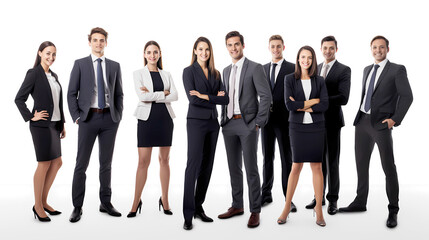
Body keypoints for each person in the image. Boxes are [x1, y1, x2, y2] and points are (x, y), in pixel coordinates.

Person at [339, 36, 413, 228]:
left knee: (388, 167)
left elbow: (407, 96)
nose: (378, 50)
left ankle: (393, 210)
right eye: (374, 47)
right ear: (370, 49)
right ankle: (360, 202)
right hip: (362, 122)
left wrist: (394, 120)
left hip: (381, 125)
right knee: (361, 165)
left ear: (388, 49)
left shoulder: (397, 69)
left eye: (381, 47)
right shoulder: (366, 69)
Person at [68, 27, 124, 222]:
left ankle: (105, 202)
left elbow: (118, 94)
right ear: (89, 42)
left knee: (106, 163)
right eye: (95, 40)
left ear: (106, 43)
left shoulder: (115, 66)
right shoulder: (80, 64)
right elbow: (71, 93)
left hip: (109, 119)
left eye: (102, 40)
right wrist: (76, 117)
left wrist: (118, 115)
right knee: (81, 164)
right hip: (87, 118)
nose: (98, 43)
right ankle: (77, 206)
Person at [218, 31, 271, 228]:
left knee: (251, 169)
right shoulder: (225, 70)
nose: (234, 48)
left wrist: (258, 122)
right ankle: (237, 205)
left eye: (237, 44)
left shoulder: (255, 68)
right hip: (229, 124)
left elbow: (266, 96)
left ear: (243, 45)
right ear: (227, 47)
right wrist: (222, 118)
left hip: (248, 124)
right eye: (230, 45)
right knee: (234, 168)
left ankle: (255, 211)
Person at [277, 45, 328, 227]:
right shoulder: (289, 79)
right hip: (297, 128)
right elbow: (289, 106)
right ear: (298, 59)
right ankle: (286, 208)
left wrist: (301, 104)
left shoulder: (319, 80)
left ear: (313, 60)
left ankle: (319, 209)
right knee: (296, 166)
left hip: (316, 128)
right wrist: (312, 101)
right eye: (302, 57)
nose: (306, 60)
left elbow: (325, 105)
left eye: (309, 57)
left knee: (317, 167)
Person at [182, 37, 229, 230]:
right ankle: (187, 214)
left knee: (207, 166)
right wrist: (212, 98)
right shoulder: (188, 72)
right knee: (192, 165)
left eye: (207, 49)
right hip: (195, 122)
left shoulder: (216, 73)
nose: (204, 53)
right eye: (200, 49)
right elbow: (192, 100)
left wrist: (204, 96)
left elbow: (225, 99)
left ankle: (198, 206)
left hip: (212, 123)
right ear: (194, 50)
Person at [15, 41, 65, 222]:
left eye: (54, 54)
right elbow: (19, 98)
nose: (51, 57)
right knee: (44, 164)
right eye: (48, 53)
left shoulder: (54, 75)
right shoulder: (34, 73)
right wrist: (30, 116)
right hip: (41, 126)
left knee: (57, 162)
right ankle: (37, 205)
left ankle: (44, 202)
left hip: (54, 125)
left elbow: (57, 102)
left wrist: (62, 123)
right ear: (40, 53)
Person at [127, 41, 178, 218]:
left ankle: (165, 200)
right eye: (149, 52)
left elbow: (176, 95)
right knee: (143, 162)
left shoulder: (167, 74)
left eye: (155, 52)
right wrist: (163, 93)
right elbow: (142, 96)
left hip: (165, 119)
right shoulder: (138, 74)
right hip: (146, 120)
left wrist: (153, 95)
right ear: (144, 54)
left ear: (160, 54)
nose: (152, 55)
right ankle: (135, 201)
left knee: (165, 160)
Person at [305, 36, 351, 215]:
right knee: (317, 162)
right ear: (321, 49)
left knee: (332, 162)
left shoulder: (344, 70)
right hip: (315, 122)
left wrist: (319, 101)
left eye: (331, 48)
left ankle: (333, 200)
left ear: (336, 49)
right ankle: (319, 197)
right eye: (325, 48)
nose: (328, 51)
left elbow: (343, 98)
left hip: (332, 123)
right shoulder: (314, 69)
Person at [261, 35, 296, 211]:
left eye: (278, 46)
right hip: (266, 121)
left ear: (283, 47)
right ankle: (265, 194)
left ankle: (288, 197)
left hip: (285, 120)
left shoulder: (292, 68)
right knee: (267, 157)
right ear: (269, 48)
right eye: (272, 46)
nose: (276, 49)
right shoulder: (262, 68)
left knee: (286, 159)